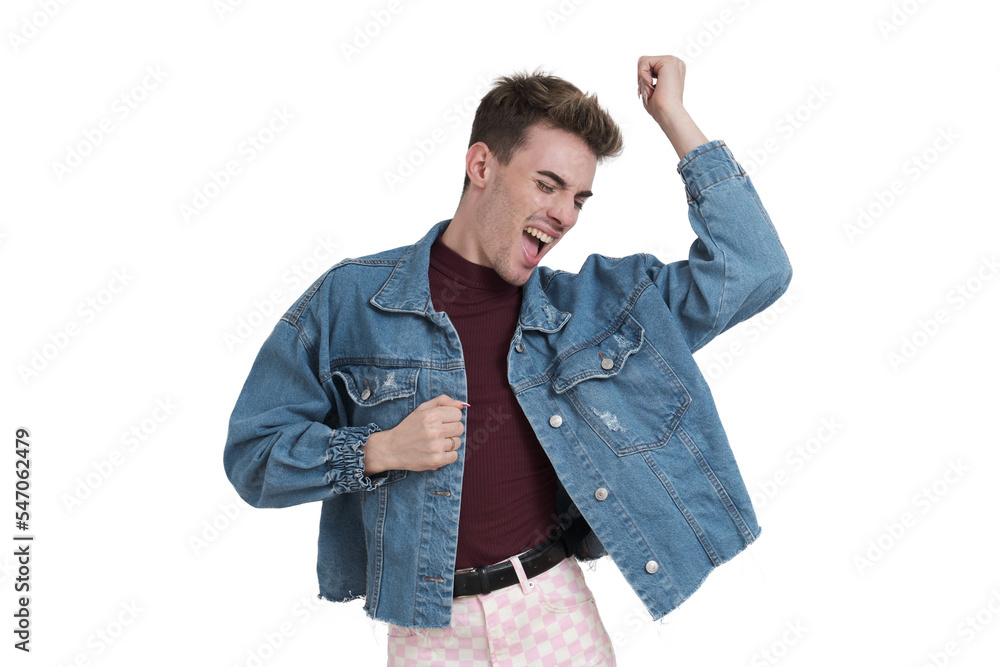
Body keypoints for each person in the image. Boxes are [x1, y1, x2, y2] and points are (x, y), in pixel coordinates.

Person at [224, 55, 792, 666]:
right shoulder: (352, 300)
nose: (566, 215)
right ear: (481, 165)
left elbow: (755, 269)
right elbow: (254, 455)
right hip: (428, 629)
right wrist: (377, 451)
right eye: (547, 185)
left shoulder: (594, 310)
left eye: (579, 198)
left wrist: (673, 117)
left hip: (552, 611)